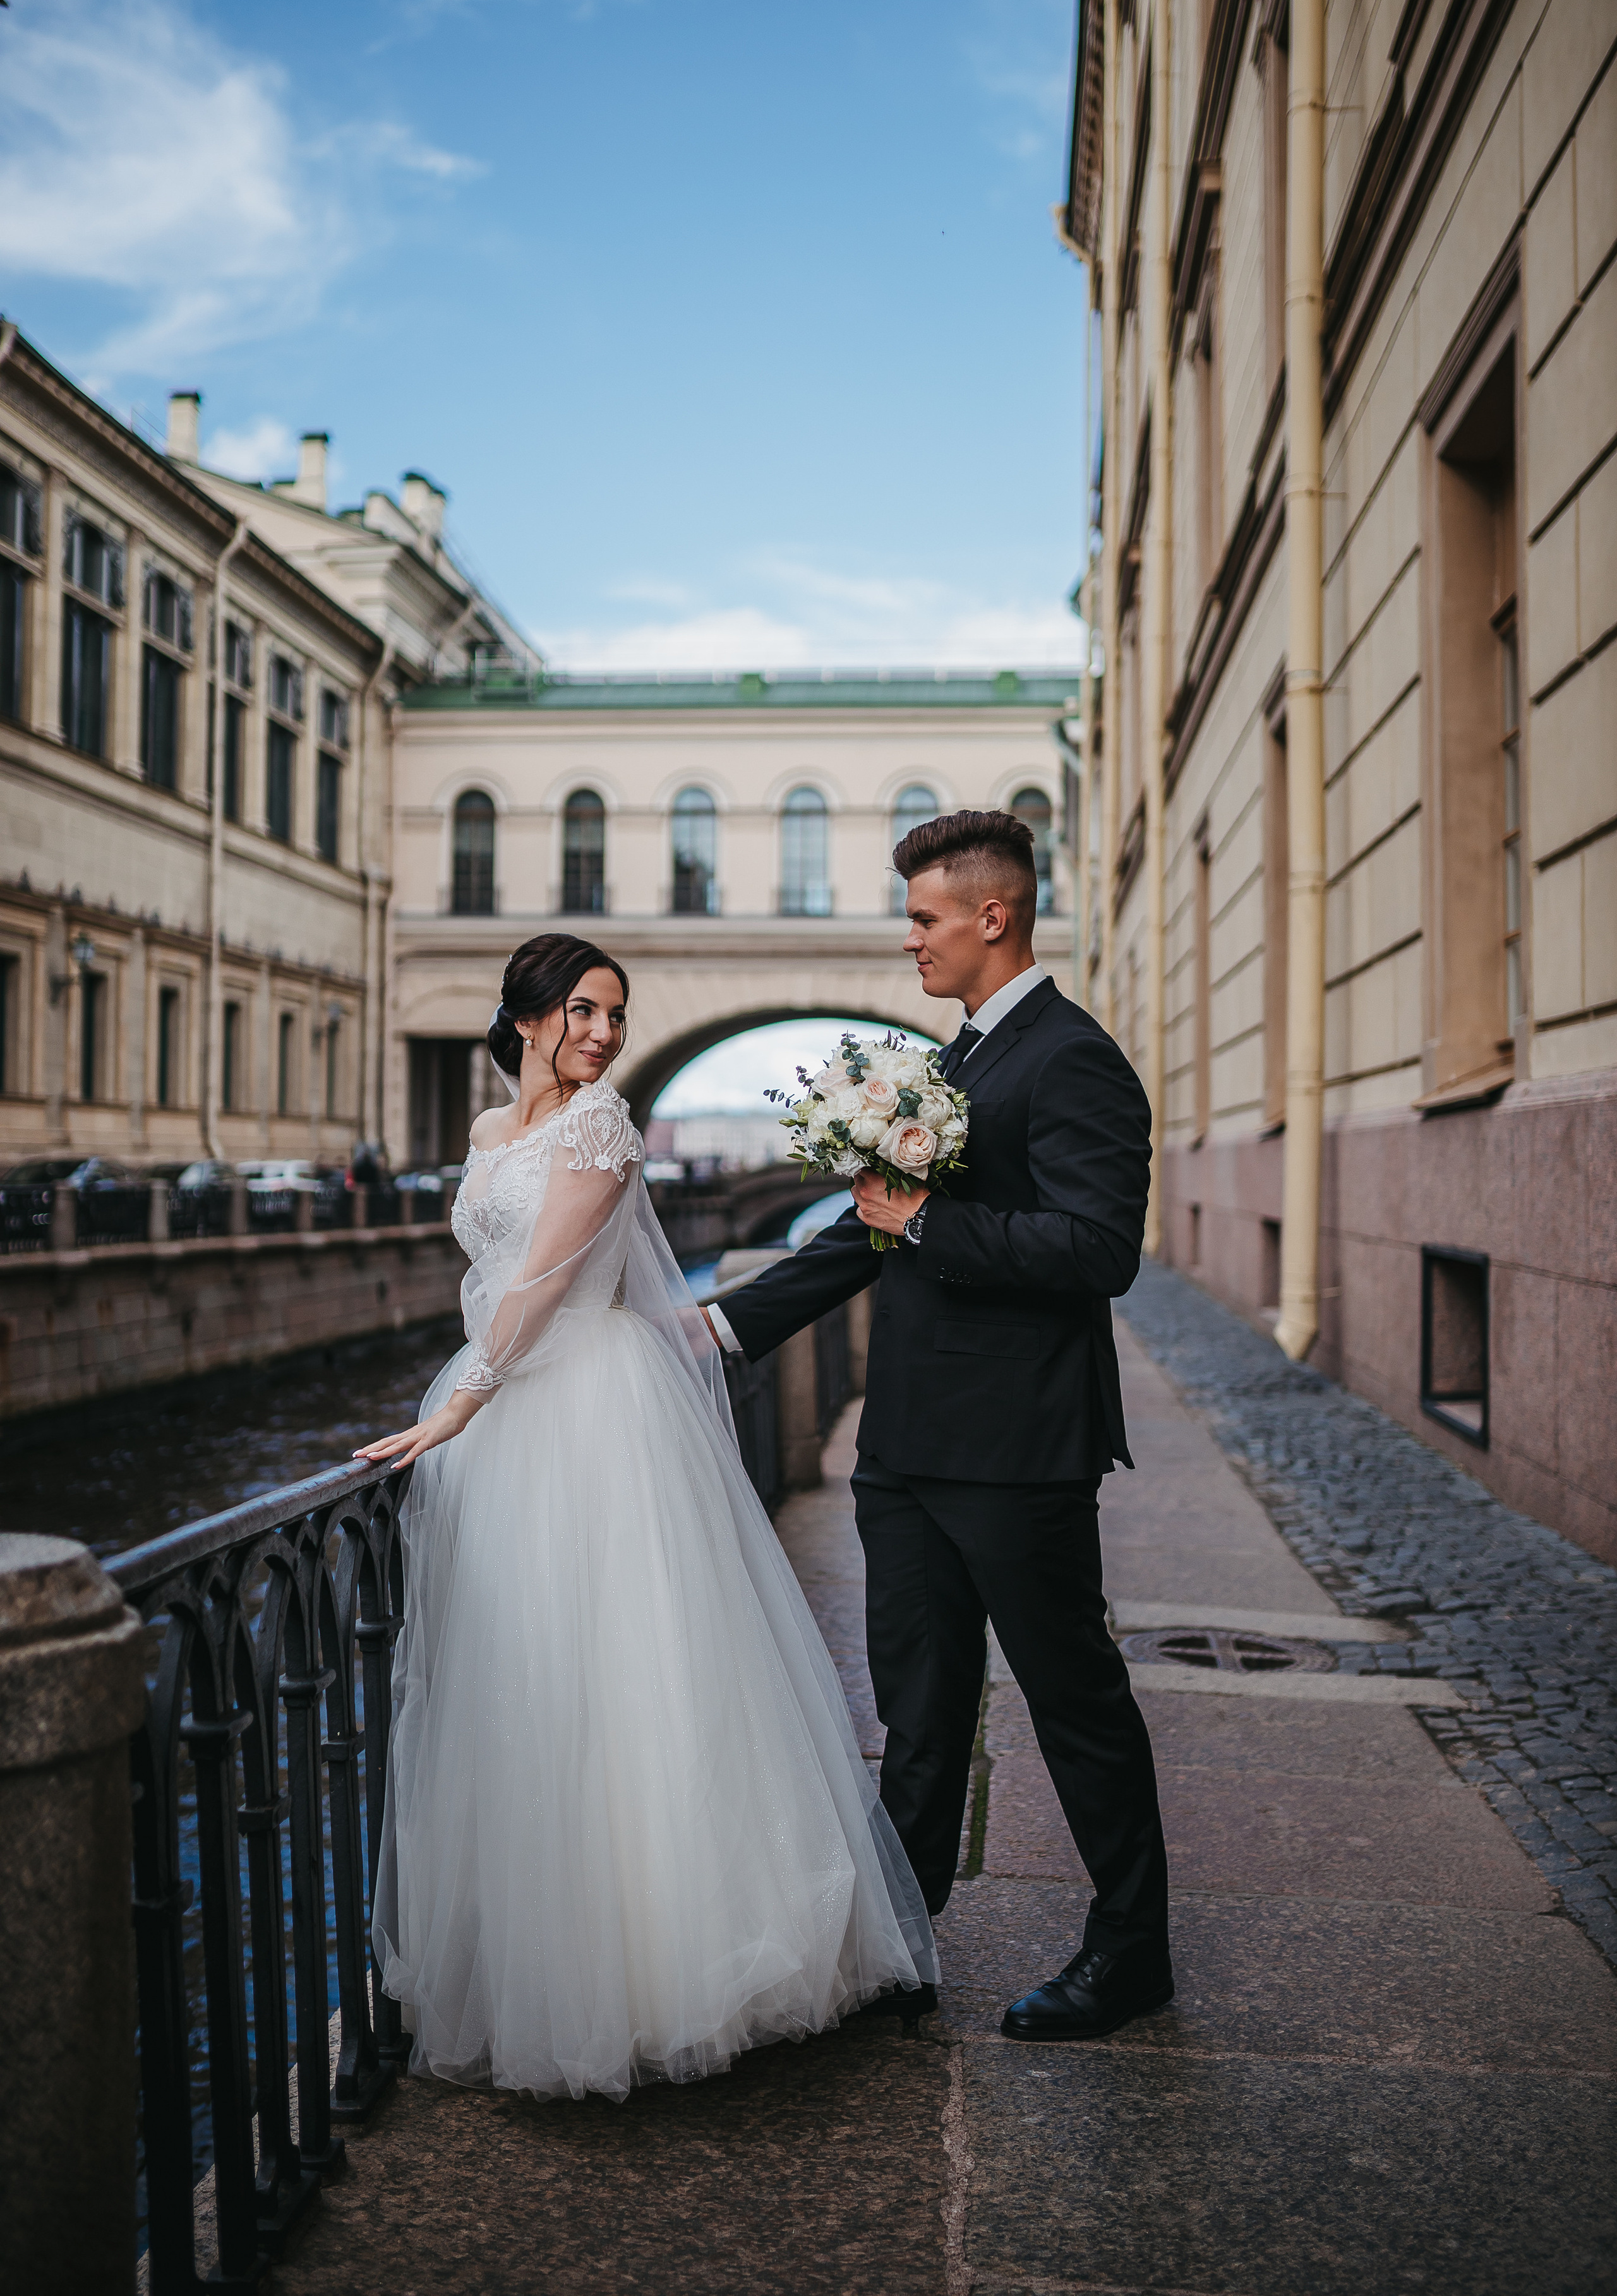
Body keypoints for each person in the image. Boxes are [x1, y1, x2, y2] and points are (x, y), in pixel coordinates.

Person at [355, 935, 933, 2103]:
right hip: (519, 1414)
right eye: (583, 1010)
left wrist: (460, 1399)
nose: (604, 1033)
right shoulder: (486, 1135)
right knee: (528, 1693)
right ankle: (555, 1958)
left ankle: (671, 1974)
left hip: (587, 1412)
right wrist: (475, 1399)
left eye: (616, 1013)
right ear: (526, 1018)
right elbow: (498, 1276)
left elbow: (544, 1283)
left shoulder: (601, 1128)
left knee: (630, 1681)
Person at [707, 808, 1172, 2040]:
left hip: (1016, 1454)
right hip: (904, 1451)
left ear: (990, 915)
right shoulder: (956, 1062)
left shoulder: (1072, 1060)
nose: (907, 939)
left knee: (1074, 1703)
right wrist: (716, 1331)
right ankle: (898, 1948)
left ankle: (1130, 1952)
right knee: (915, 1715)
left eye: (921, 918)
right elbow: (866, 1229)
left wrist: (923, 1222)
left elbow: (1095, 1250)